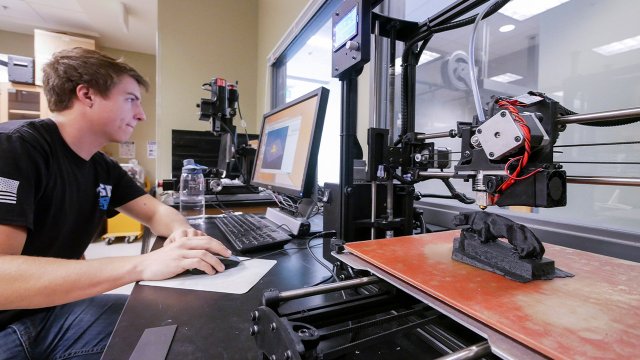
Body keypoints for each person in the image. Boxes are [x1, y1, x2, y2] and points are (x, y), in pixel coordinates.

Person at [0, 47, 232, 359]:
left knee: (177, 321)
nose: (141, 114)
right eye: (131, 99)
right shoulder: (15, 149)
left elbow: (158, 211)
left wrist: (181, 233)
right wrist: (141, 265)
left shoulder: (99, 165)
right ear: (87, 95)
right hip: (11, 327)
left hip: (52, 310)